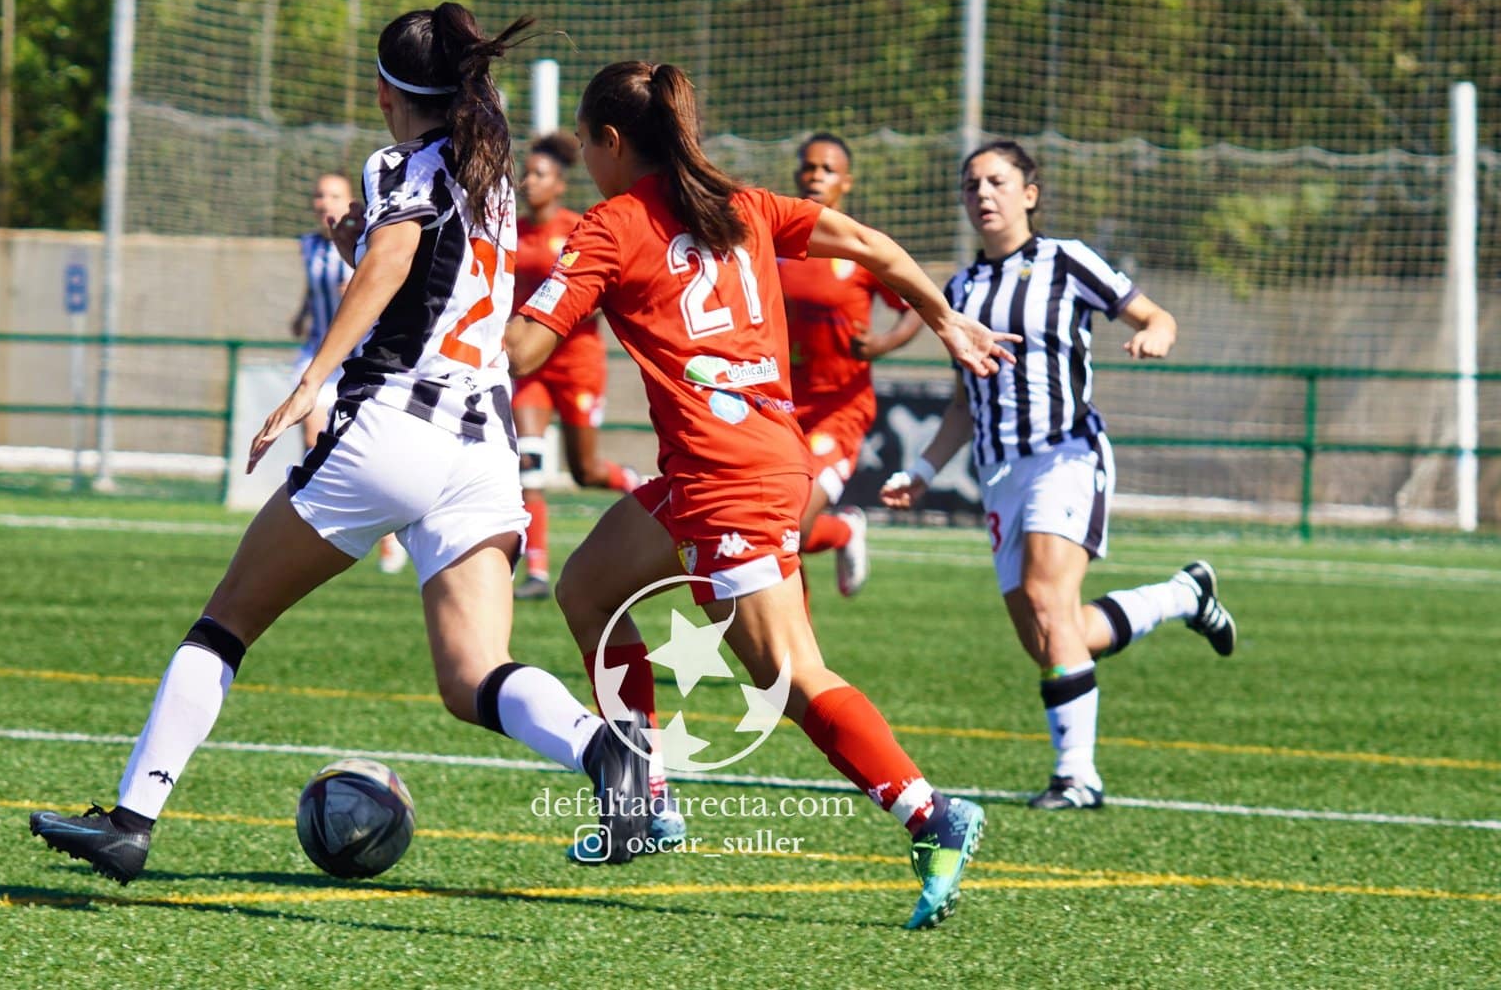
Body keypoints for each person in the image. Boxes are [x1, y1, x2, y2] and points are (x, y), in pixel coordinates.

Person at [29, 3, 655, 884]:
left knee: (224, 623)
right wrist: (364, 236)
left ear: (382, 88)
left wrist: (310, 380)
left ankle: (132, 819)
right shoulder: (495, 166)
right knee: (475, 673)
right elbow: (423, 257)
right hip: (482, 449)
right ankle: (609, 756)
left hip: (391, 428)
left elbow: (398, 261)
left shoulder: (398, 159)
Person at [505, 60, 1019, 929]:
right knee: (588, 588)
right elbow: (876, 247)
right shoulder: (741, 203)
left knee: (788, 674)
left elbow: (521, 351)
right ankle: (639, 796)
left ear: (611, 142)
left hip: (727, 477)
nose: (586, 161)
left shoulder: (612, 225)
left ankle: (932, 815)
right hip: (738, 464)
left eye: (587, 146)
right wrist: (945, 319)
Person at [880, 140, 1238, 812]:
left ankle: (1078, 775)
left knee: (1049, 602)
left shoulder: (1066, 260)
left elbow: (1154, 313)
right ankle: (1182, 595)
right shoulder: (958, 289)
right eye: (971, 184)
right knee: (1051, 633)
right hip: (999, 473)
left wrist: (1158, 332)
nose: (983, 193)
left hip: (1066, 453)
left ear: (1030, 193)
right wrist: (923, 471)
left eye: (997, 181)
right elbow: (963, 403)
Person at [779, 133, 921, 599]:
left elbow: (916, 304)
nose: (815, 175)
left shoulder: (858, 247)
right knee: (767, 532)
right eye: (809, 166)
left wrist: (883, 343)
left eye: (828, 169)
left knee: (790, 526)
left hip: (839, 410)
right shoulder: (774, 243)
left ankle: (842, 533)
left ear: (847, 182)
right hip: (779, 408)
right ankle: (786, 663)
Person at [510, 132, 639, 601]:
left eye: (540, 174)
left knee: (586, 470)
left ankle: (638, 487)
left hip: (578, 364)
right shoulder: (512, 232)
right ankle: (537, 570)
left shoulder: (578, 228)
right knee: (528, 465)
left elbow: (607, 289)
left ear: (560, 184)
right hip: (532, 366)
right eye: (526, 173)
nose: (529, 182)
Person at [289, 172, 408, 576]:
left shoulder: (370, 243)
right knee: (312, 434)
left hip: (359, 359)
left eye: (334, 195)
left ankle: (387, 535)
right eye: (319, 194)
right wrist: (302, 314)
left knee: (366, 444)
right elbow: (313, 288)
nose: (325, 202)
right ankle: (316, 525)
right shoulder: (307, 246)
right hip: (317, 355)